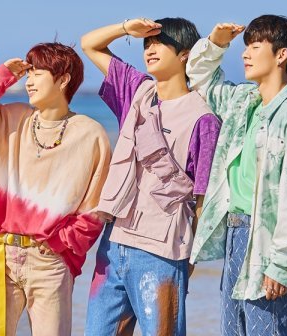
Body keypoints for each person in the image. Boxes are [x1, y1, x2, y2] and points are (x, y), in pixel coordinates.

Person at [0, 42, 111, 336]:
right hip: (1, 255)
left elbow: (96, 208)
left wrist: (61, 243)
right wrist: (2, 76)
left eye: (38, 73)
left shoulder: (90, 134)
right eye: (29, 73)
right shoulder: (9, 119)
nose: (29, 81)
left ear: (63, 79)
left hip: (50, 261)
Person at [82, 18, 221, 335]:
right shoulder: (137, 91)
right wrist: (125, 29)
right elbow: (90, 44)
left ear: (185, 54)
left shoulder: (203, 119)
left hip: (161, 251)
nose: (150, 49)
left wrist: (190, 258)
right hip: (114, 241)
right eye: (147, 44)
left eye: (161, 43)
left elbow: (203, 198)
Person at [188, 16, 287, 336]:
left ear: (281, 55)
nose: (245, 54)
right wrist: (216, 43)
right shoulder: (243, 101)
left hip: (268, 242)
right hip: (235, 234)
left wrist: (284, 264)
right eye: (246, 46)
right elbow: (200, 80)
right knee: (232, 329)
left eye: (255, 46)